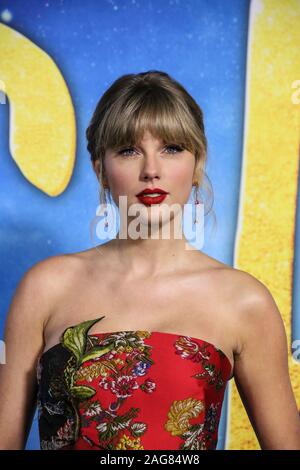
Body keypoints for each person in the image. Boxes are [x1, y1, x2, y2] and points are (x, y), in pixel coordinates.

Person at [0, 70, 300, 451]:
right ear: (100, 169)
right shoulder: (45, 287)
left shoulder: (244, 301)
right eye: (128, 150)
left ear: (197, 165)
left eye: (171, 148)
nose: (151, 170)